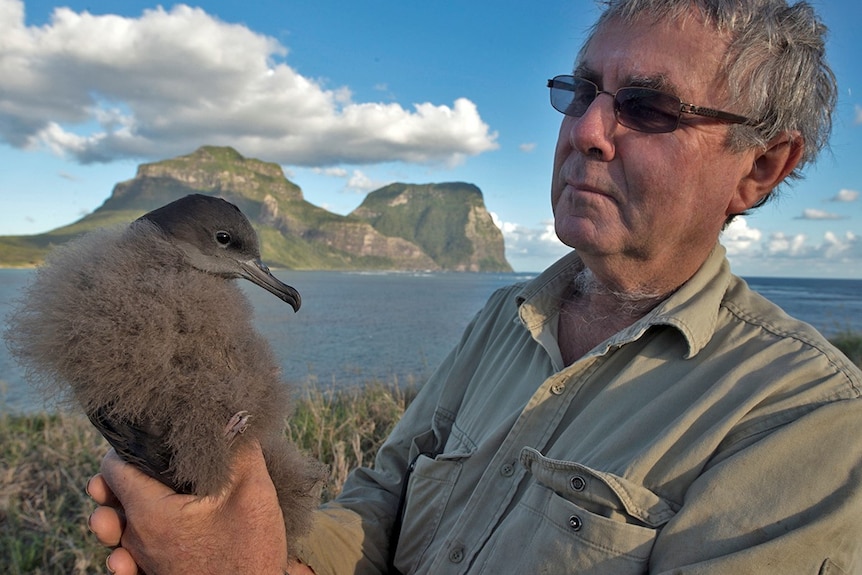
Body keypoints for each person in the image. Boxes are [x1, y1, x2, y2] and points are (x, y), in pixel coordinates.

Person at [87, 0, 862, 573]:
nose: (587, 129)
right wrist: (267, 550)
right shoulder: (507, 317)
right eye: (582, 90)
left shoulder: (806, 422)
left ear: (761, 167)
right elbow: (381, 501)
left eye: (648, 108)